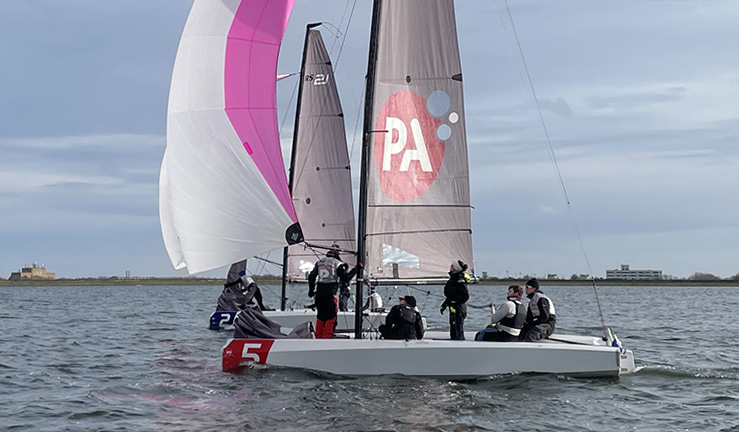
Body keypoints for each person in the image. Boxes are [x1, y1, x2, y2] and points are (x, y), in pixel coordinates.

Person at [307, 244, 359, 338]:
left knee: (321, 317)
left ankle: (318, 337)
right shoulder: (337, 263)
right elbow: (346, 278)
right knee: (331, 318)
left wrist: (311, 291)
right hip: (330, 295)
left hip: (319, 295)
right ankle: (326, 338)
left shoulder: (320, 262)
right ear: (338, 253)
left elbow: (311, 277)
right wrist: (356, 269)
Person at [440, 260, 470, 340]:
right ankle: (454, 342)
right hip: (453, 308)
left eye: (452, 266)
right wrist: (444, 304)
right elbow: (450, 296)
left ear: (456, 268)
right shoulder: (453, 278)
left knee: (457, 328)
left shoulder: (459, 279)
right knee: (453, 328)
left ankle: (459, 344)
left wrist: (455, 302)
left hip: (459, 308)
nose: (450, 267)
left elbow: (465, 296)